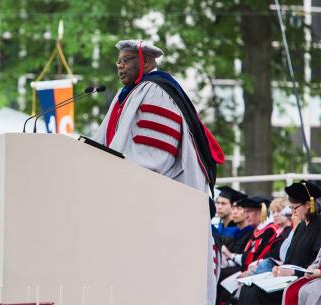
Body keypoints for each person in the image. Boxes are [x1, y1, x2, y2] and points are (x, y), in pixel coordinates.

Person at [93, 39, 225, 305]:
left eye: (127, 59)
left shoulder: (156, 91)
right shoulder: (127, 95)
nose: (120, 65)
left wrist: (116, 175)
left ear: (147, 62)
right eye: (118, 60)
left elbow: (156, 156)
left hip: (167, 198)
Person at [238, 180, 321, 305]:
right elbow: (289, 260)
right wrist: (280, 269)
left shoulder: (319, 225)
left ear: (309, 204)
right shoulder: (301, 226)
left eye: (295, 207)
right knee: (247, 288)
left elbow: (316, 264)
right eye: (291, 207)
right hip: (287, 278)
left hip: (304, 279)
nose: (293, 212)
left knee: (256, 292)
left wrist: (293, 272)